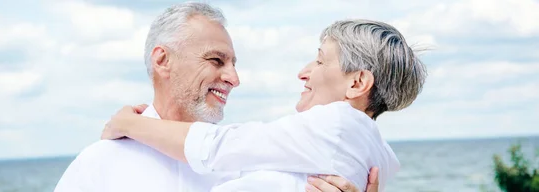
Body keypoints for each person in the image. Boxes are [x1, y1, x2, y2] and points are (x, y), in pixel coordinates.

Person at [54, 2, 372, 192]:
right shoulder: (99, 164)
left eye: (234, 64)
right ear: (163, 60)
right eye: (216, 61)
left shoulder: (256, 167)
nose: (234, 78)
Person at [102, 19, 427, 192]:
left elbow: (214, 147)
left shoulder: (336, 124)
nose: (303, 72)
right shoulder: (379, 155)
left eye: (319, 61)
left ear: (356, 83)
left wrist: (128, 123)